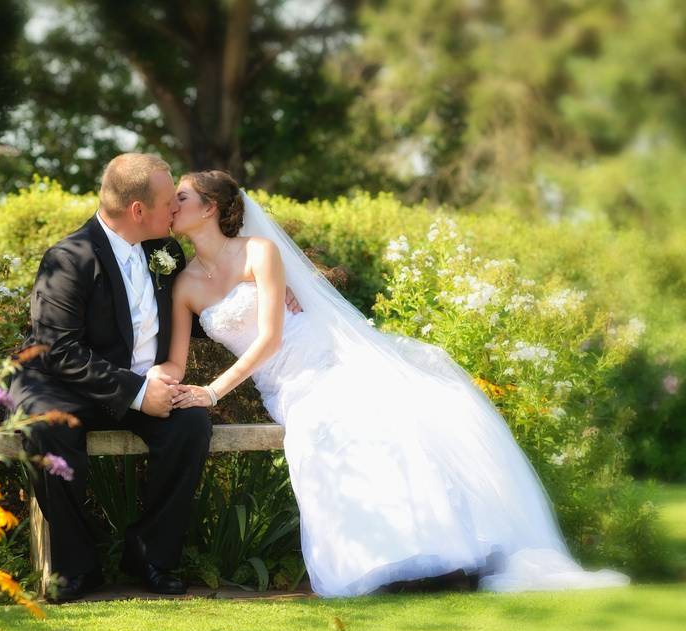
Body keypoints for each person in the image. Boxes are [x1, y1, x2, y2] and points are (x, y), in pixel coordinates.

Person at [152, 169, 629, 597]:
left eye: (181, 196)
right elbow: (175, 360)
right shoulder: (186, 285)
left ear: (211, 207)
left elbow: (272, 336)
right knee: (325, 427)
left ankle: (441, 555)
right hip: (284, 386)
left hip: (327, 360)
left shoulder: (260, 252)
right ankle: (396, 558)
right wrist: (162, 380)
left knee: (376, 417)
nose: (172, 205)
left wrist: (213, 391)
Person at [8, 153, 213, 603]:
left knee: (190, 425)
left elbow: (196, 312)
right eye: (168, 203)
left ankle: (150, 557)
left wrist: (266, 293)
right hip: (63, 385)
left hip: (145, 384)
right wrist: (139, 394)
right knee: (44, 428)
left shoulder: (164, 250)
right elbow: (58, 351)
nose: (175, 211)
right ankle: (78, 567)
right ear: (138, 211)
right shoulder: (68, 258)